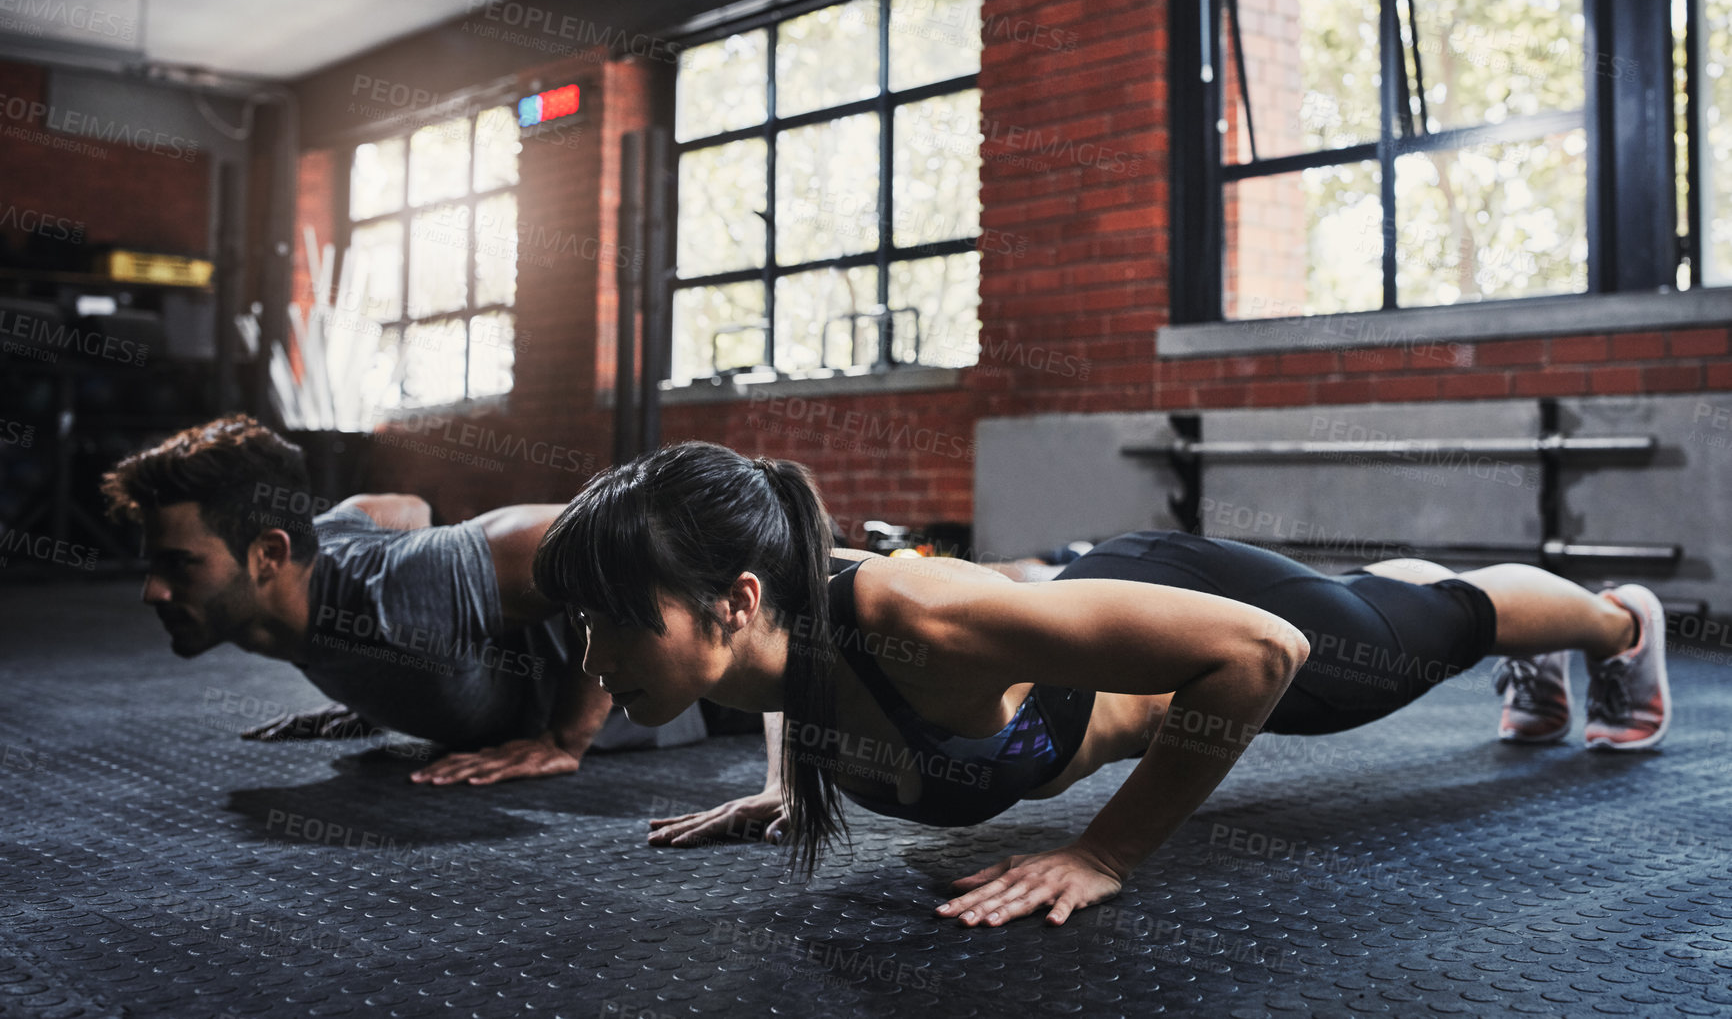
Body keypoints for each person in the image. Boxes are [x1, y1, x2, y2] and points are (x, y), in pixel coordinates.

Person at [533, 441, 1670, 928]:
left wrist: (1102, 851)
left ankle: (1618, 619)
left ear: (731, 598)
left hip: (1193, 600)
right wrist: (794, 781)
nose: (590, 658)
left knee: (1412, 632)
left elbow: (1257, 651)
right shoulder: (776, 622)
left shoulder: (919, 619)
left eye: (607, 622)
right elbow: (804, 675)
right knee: (1390, 605)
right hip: (1086, 602)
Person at [100, 415, 703, 788]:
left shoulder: (414, 586)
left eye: (179, 564)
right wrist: (389, 684)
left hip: (696, 696)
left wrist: (564, 739)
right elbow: (403, 506)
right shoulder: (323, 544)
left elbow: (619, 546)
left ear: (267, 556)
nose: (154, 591)